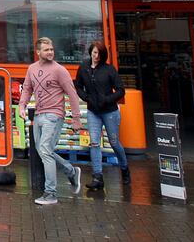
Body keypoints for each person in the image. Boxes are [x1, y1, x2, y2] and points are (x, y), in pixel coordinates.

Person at [18, 36, 83, 205]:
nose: (50, 52)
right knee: (43, 152)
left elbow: (72, 94)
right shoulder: (31, 69)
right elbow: (27, 88)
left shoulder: (59, 70)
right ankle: (71, 171)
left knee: (45, 150)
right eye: (46, 50)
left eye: (52, 49)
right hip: (38, 114)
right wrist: (22, 106)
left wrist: (76, 119)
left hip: (54, 115)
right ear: (38, 52)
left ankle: (50, 193)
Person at [74, 41, 131, 190]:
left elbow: (120, 90)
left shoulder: (109, 69)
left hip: (110, 111)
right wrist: (86, 97)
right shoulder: (84, 67)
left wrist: (107, 99)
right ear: (90, 52)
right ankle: (97, 177)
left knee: (114, 142)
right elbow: (78, 85)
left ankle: (124, 168)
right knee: (94, 142)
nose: (96, 56)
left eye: (99, 54)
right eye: (94, 53)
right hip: (93, 111)